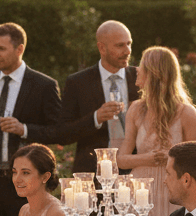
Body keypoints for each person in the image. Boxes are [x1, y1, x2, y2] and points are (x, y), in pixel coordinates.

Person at [0, 22, 62, 216]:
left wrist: (24, 129)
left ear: (19, 49)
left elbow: (58, 131)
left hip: (26, 181)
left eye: (1, 49)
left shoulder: (43, 85)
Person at [117, 46, 196, 216]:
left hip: (174, 191)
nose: (137, 69)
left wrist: (173, 158)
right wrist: (148, 158)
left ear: (154, 74)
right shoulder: (136, 109)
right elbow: (121, 159)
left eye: (142, 66)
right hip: (139, 193)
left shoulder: (186, 113)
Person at [51, 20, 140, 174]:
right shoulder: (78, 82)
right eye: (120, 45)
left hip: (137, 171)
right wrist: (96, 118)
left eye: (129, 44)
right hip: (94, 171)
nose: (127, 51)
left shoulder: (141, 78)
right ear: (102, 48)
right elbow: (62, 135)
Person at [12, 144, 67, 216]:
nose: (17, 179)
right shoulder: (24, 210)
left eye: (25, 173)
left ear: (45, 177)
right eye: (15, 172)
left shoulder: (55, 214)